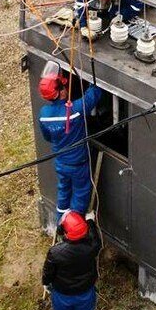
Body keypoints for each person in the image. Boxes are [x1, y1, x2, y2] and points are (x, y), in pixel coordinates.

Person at [38, 72, 103, 218]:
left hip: (61, 163)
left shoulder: (44, 114)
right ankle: (74, 230)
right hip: (78, 165)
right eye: (64, 86)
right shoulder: (74, 110)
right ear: (61, 92)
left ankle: (60, 225)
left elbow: (47, 137)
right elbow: (95, 93)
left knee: (63, 195)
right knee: (80, 197)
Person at [43, 210, 102, 310]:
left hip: (61, 295)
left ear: (64, 232)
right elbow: (96, 241)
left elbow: (48, 271)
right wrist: (90, 221)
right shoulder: (90, 248)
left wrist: (45, 283)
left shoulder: (55, 252)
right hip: (84, 294)